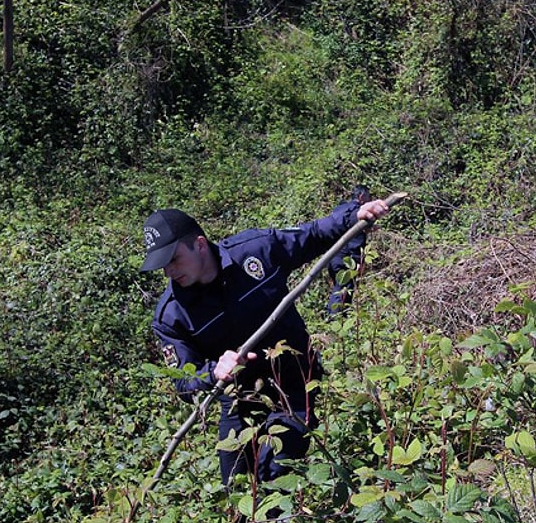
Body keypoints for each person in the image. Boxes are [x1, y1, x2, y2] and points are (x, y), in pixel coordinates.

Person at [140, 198, 390, 486]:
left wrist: (354, 215)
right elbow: (183, 382)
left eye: (173, 259)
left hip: (296, 383)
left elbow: (312, 235)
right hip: (238, 403)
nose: (169, 272)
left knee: (272, 473)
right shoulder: (171, 316)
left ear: (199, 244)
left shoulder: (255, 251)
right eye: (162, 266)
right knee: (235, 490)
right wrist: (213, 371)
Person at [326, 184, 371, 316]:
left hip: (332, 256)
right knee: (344, 289)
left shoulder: (340, 209)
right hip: (346, 259)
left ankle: (335, 319)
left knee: (338, 289)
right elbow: (356, 239)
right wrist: (358, 261)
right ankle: (335, 321)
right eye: (368, 197)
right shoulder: (358, 213)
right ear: (362, 196)